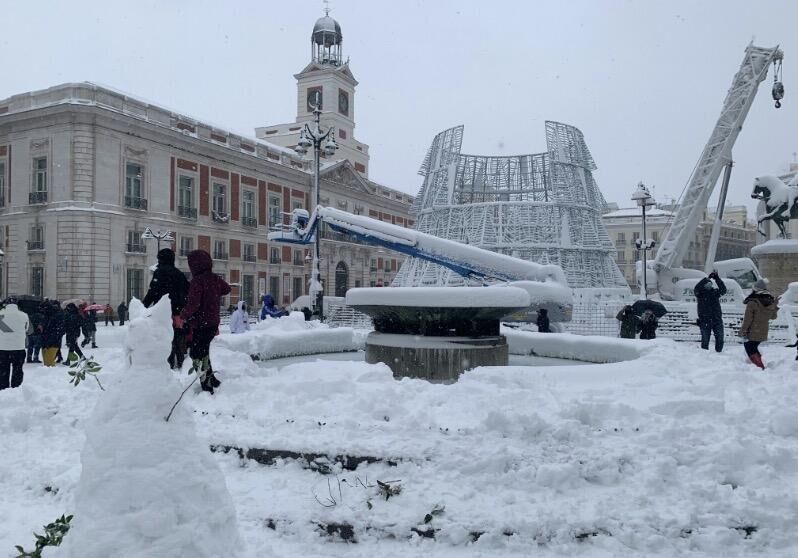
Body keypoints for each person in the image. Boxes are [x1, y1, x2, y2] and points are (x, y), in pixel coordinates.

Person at [178, 250, 231, 393]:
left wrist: (183, 315)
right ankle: (211, 379)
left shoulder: (197, 281)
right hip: (213, 323)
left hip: (201, 324)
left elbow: (193, 305)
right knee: (204, 352)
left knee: (196, 354)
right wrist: (213, 293)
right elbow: (227, 289)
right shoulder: (214, 278)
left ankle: (206, 385)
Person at [143, 248, 191, 370]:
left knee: (165, 339)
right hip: (178, 313)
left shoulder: (159, 272)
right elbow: (187, 291)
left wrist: (143, 306)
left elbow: (153, 291)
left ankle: (167, 364)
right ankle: (181, 363)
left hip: (163, 313)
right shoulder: (179, 274)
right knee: (178, 338)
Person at [738, 278, 779, 369]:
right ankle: (757, 363)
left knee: (749, 347)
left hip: (753, 330)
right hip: (763, 330)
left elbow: (748, 319)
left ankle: (759, 366)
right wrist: (775, 306)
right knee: (753, 347)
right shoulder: (769, 300)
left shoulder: (752, 302)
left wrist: (743, 331)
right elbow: (773, 317)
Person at [0, 298, 31, 390]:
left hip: (2, 347)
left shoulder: (1, 314)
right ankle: (16, 387)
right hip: (18, 347)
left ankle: (3, 387)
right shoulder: (24, 315)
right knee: (17, 368)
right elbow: (27, 329)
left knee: (3, 369)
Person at [694, 271, 727, 352]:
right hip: (705, 320)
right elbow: (696, 288)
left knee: (720, 339)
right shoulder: (700, 294)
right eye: (707, 284)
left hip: (717, 319)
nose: (709, 285)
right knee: (705, 340)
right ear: (704, 286)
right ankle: (704, 355)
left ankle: (719, 353)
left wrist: (717, 278)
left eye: (710, 284)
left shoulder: (715, 293)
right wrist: (707, 279)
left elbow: (723, 290)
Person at [41, 301, 65, 366]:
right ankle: (58, 357)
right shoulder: (49, 315)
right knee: (47, 362)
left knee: (48, 362)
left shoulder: (54, 315)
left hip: (51, 340)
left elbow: (60, 328)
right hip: (49, 340)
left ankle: (50, 372)